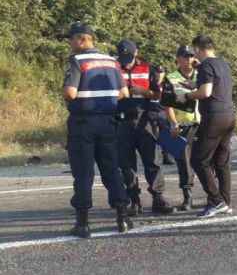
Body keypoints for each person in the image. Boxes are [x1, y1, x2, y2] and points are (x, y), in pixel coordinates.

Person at [62, 22, 133, 238]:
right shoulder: (111, 61)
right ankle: (122, 217)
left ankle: (83, 224)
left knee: (83, 172)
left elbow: (70, 93)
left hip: (83, 123)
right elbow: (124, 93)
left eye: (72, 39)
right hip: (108, 122)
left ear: (82, 39)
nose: (70, 43)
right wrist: (105, 99)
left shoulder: (77, 61)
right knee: (111, 170)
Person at [116, 40, 175, 215]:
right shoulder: (114, 68)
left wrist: (142, 92)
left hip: (145, 120)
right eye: (123, 57)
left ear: (136, 53)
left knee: (152, 161)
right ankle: (133, 199)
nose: (126, 61)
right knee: (126, 164)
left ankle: (158, 197)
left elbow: (158, 94)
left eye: (129, 57)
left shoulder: (148, 69)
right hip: (122, 121)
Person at [179, 35, 236, 218]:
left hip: (213, 118)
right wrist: (193, 84)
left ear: (198, 49)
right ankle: (225, 202)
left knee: (198, 159)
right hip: (229, 115)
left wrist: (187, 96)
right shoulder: (223, 63)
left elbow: (206, 92)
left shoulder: (205, 65)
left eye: (194, 51)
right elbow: (214, 87)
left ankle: (216, 200)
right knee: (221, 161)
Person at [164, 45, 201, 211]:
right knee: (184, 163)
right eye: (185, 56)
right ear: (177, 59)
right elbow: (167, 104)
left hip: (202, 123)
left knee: (206, 160)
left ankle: (214, 195)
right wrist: (173, 123)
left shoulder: (202, 75)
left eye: (191, 56)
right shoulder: (171, 78)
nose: (188, 59)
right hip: (183, 125)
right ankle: (188, 197)